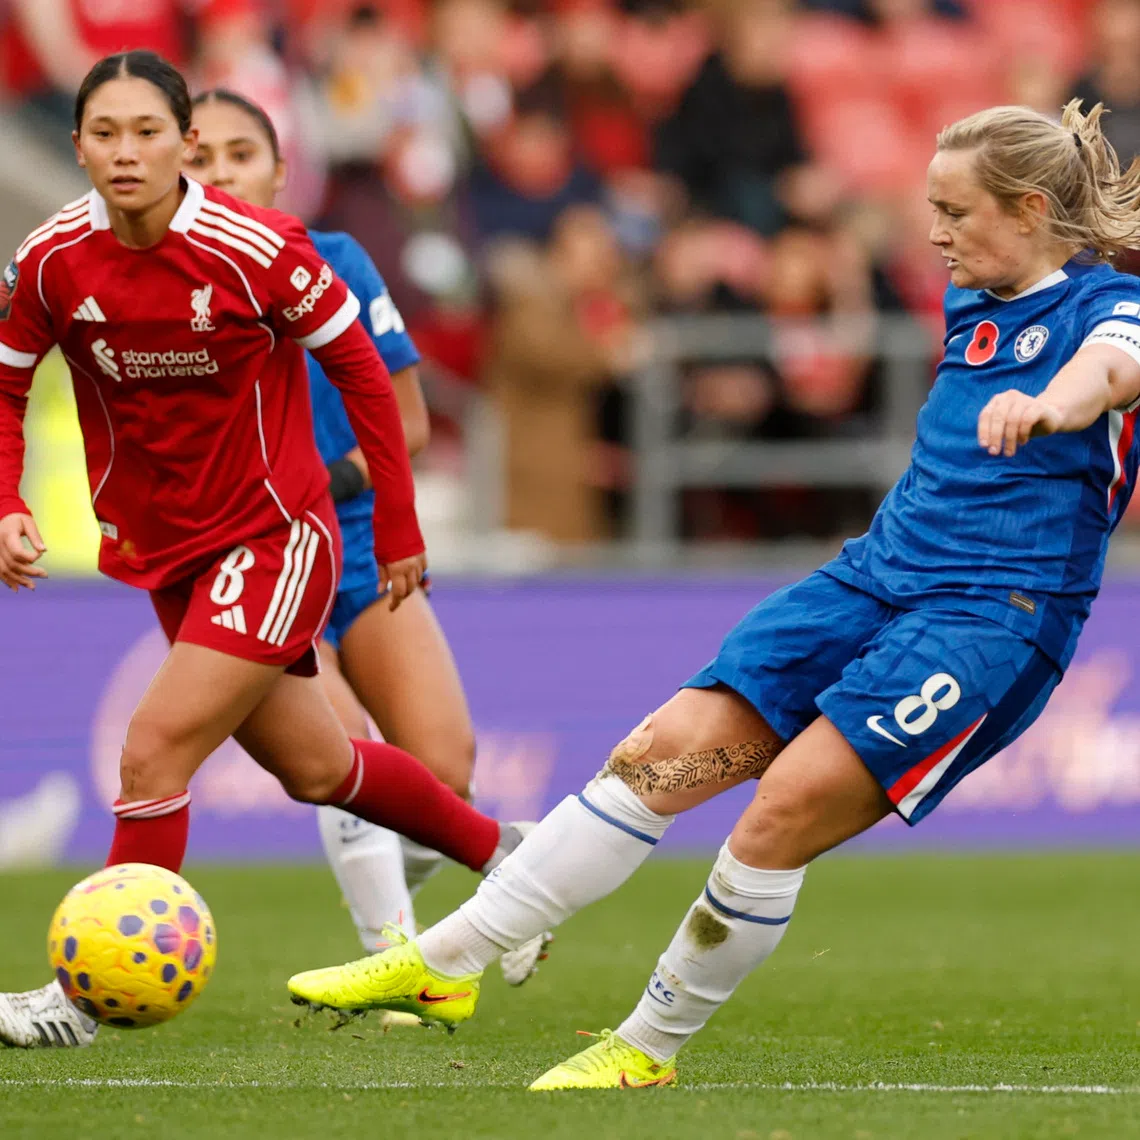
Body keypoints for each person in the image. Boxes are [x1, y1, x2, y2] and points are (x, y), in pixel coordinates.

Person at [288, 99, 1140, 1087]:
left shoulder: (1104, 309)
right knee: (661, 755)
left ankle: (646, 1048)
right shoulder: (973, 298)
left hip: (990, 619)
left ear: (1029, 209)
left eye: (953, 211)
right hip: (872, 579)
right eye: (929, 208)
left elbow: (1113, 370)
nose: (934, 231)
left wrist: (1048, 406)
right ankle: (445, 965)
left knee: (779, 810)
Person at [0, 50, 533, 1050]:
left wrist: (405, 528)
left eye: (147, 132)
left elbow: (371, 383)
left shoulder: (259, 250)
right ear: (75, 146)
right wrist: (6, 503)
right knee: (322, 770)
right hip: (168, 554)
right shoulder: (51, 259)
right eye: (104, 134)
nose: (125, 153)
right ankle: (507, 854)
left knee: (153, 750)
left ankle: (84, 1000)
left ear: (182, 146)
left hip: (277, 537)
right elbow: (8, 381)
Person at [186, 88, 549, 984]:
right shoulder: (165, 289)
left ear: (281, 170)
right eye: (200, 156)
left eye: (241, 153)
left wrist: (320, 484)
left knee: (443, 773)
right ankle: (400, 965)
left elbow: (411, 421)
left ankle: (482, 860)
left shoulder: (337, 259)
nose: (221, 171)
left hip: (353, 541)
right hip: (256, 558)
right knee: (347, 753)